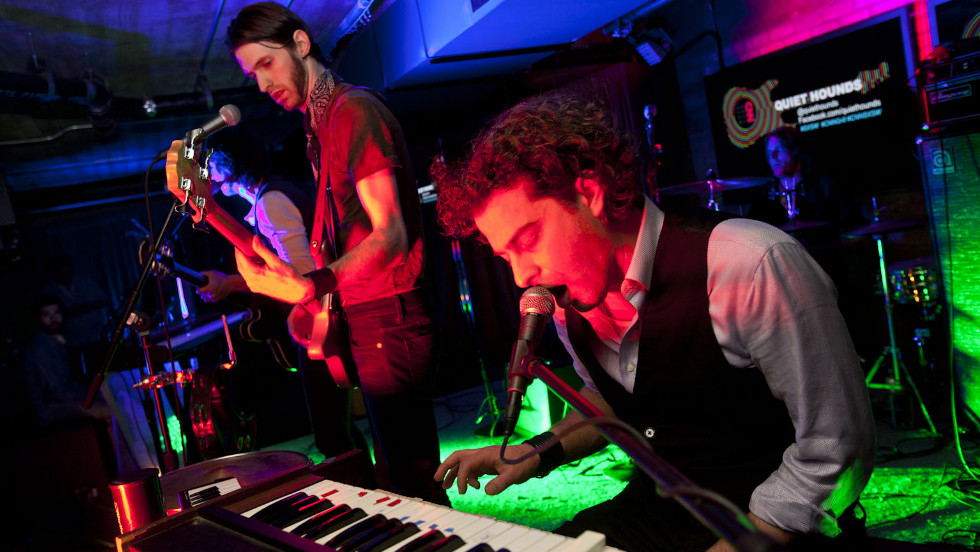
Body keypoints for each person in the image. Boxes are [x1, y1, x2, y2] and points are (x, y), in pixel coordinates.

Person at [432, 93, 876, 551]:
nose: (522, 276)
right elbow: (609, 400)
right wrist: (533, 452)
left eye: (529, 239)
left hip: (768, 525)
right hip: (661, 507)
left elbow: (835, 447)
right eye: (506, 255)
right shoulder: (568, 307)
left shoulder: (749, 263)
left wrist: (745, 541)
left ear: (590, 194)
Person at [225, 2, 448, 506]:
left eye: (266, 64)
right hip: (367, 310)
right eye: (251, 74)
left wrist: (313, 286)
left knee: (415, 486)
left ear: (301, 44)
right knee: (400, 481)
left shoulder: (353, 110)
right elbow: (345, 232)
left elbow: (390, 233)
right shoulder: (319, 124)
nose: (261, 85)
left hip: (389, 313)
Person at [198, 127, 368, 465]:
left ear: (230, 161)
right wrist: (231, 282)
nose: (208, 172)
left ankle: (370, 491)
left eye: (212, 163)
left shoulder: (271, 203)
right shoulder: (270, 198)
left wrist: (232, 284)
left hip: (318, 322)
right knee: (337, 426)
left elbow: (302, 276)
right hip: (320, 321)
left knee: (331, 432)